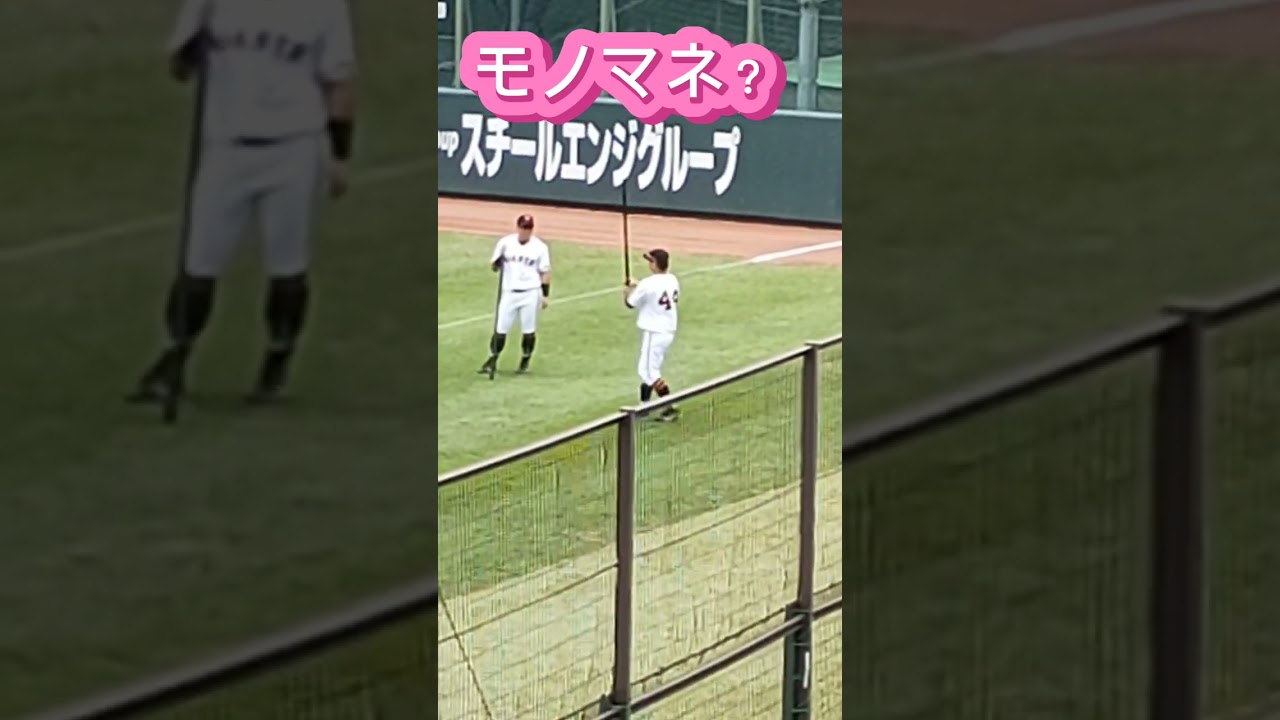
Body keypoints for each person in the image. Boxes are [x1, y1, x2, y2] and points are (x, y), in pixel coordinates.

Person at [128, 0, 357, 405]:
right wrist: (190, 51)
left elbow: (339, 81)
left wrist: (339, 156)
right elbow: (180, 69)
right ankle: (174, 358)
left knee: (287, 266)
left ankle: (277, 360)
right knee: (198, 264)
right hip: (225, 148)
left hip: (294, 148)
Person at [478, 214, 552, 378]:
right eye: (523, 227)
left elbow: (545, 272)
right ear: (517, 227)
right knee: (500, 329)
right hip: (509, 292)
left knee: (528, 330)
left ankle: (525, 360)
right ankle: (492, 359)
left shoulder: (540, 247)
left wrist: (545, 295)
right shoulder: (505, 243)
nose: (525, 231)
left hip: (530, 292)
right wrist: (497, 263)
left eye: (528, 228)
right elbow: (494, 267)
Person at [624, 248, 680, 421]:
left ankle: (669, 406)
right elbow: (655, 292)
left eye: (650, 261)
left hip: (654, 331)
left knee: (648, 371)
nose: (649, 264)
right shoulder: (672, 279)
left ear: (655, 264)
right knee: (648, 367)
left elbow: (630, 303)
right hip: (667, 330)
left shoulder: (647, 284)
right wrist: (637, 285)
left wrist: (627, 292)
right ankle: (644, 406)